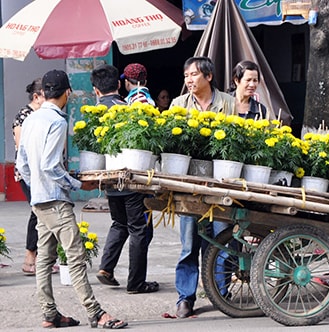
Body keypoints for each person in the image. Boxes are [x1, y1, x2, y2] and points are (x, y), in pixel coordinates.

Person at [16, 69, 127, 329]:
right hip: (55, 200)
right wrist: (79, 185)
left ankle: (49, 314)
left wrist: (38, 188)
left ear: (44, 93)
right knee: (75, 256)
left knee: (45, 257)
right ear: (67, 92)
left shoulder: (31, 119)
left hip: (40, 199)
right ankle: (96, 313)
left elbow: (23, 164)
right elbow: (51, 166)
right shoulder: (57, 121)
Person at [170, 56, 235, 318]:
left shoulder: (228, 103)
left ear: (208, 77)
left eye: (194, 74)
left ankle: (221, 294)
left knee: (221, 240)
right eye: (186, 75)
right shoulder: (178, 104)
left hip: (221, 185)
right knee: (189, 245)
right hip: (189, 185)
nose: (189, 80)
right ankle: (185, 298)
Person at [92, 64, 158, 294]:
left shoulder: (95, 111)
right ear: (118, 85)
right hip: (130, 179)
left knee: (119, 223)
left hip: (109, 180)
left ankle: (106, 268)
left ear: (95, 90)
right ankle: (136, 283)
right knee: (139, 229)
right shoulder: (127, 107)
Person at [11, 78, 59, 276]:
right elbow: (22, 147)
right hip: (28, 172)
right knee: (37, 211)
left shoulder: (43, 115)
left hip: (43, 171)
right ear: (36, 96)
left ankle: (40, 257)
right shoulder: (24, 116)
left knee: (40, 211)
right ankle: (30, 256)